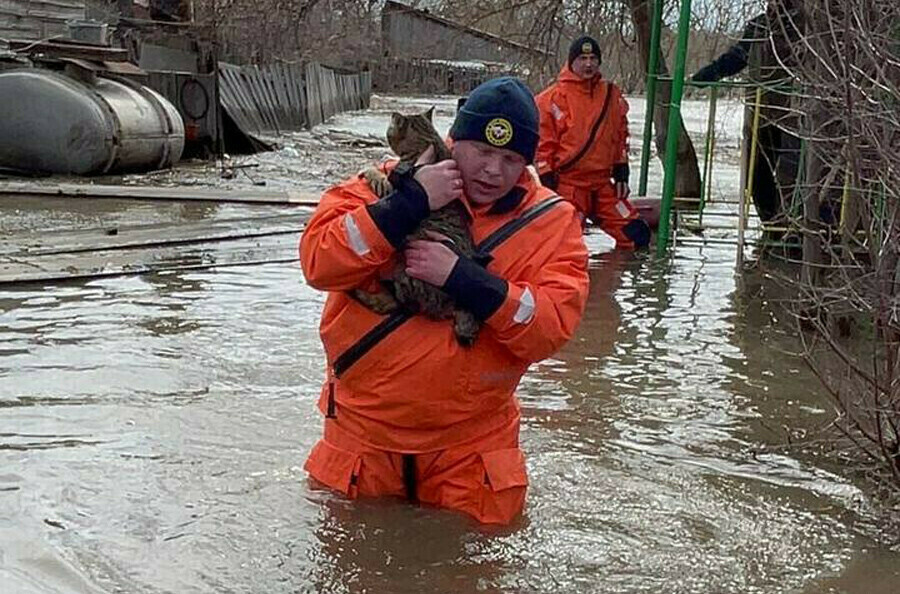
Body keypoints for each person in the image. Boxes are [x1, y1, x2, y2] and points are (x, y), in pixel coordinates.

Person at [298, 77, 590, 525]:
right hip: (361, 441)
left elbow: (549, 329)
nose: (494, 170)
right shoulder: (382, 184)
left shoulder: (551, 223)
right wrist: (409, 204)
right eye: (482, 151)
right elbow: (319, 262)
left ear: (529, 163)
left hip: (471, 453)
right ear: (453, 141)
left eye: (512, 159)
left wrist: (463, 278)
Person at [690, 1, 803, 228]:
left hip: (795, 114)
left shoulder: (806, 26)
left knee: (790, 174)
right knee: (755, 172)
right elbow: (738, 57)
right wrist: (709, 74)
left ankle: (796, 228)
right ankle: (773, 225)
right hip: (762, 113)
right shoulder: (759, 25)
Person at [535, 35, 651, 250]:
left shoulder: (611, 95)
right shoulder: (551, 99)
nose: (588, 64)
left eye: (592, 58)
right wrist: (547, 182)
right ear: (571, 62)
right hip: (568, 187)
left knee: (637, 235)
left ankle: (617, 279)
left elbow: (619, 137)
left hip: (603, 186)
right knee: (566, 248)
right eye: (582, 58)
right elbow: (542, 146)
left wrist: (621, 171)